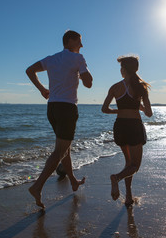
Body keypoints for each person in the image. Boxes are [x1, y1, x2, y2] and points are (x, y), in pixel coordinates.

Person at [26, 30, 93, 208]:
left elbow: (30, 70)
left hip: (52, 108)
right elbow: (89, 83)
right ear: (70, 41)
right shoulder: (78, 58)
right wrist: (84, 71)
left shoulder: (51, 59)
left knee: (65, 149)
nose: (82, 45)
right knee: (60, 151)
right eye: (79, 41)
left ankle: (72, 180)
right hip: (67, 108)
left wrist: (42, 89)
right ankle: (37, 186)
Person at [101, 55, 152, 206]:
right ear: (136, 69)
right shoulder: (141, 88)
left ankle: (129, 196)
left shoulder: (115, 87)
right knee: (135, 166)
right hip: (134, 126)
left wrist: (120, 111)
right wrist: (140, 107)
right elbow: (149, 114)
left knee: (129, 163)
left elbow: (104, 109)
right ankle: (116, 178)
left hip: (120, 126)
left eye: (121, 68)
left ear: (124, 69)